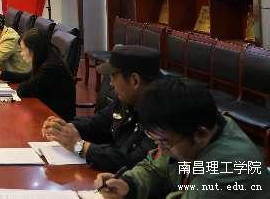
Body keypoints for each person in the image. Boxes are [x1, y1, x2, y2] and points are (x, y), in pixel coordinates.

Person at [95, 77, 269, 198]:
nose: (160, 149)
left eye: (164, 142)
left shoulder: (230, 167)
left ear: (201, 134)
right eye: (156, 140)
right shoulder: (187, 133)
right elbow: (155, 167)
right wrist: (128, 185)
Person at [41, 45, 160, 172]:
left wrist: (80, 147)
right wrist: (63, 127)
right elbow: (96, 124)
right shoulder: (127, 99)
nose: (111, 83)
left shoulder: (162, 114)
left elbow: (131, 162)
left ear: (134, 80)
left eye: (113, 76)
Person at [9, 28, 76, 120]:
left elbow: (23, 91)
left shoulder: (50, 68)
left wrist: (23, 84)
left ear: (34, 49)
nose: (21, 54)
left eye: (23, 49)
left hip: (56, 118)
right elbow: (27, 77)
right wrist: (2, 74)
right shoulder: (47, 57)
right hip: (47, 110)